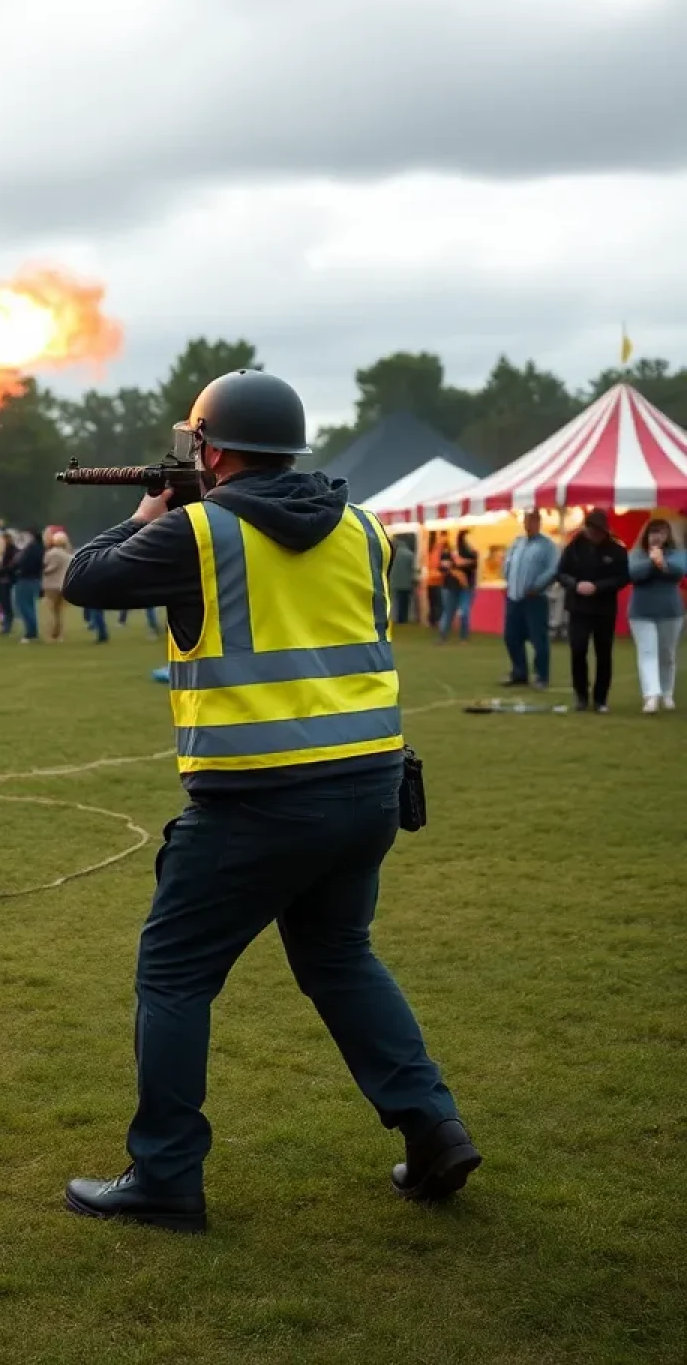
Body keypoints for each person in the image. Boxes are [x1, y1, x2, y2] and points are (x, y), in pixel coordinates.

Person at [58, 367, 476, 1234]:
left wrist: (149, 513)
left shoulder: (201, 533)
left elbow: (85, 579)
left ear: (209, 448)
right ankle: (433, 1126)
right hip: (367, 788)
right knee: (340, 958)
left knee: (173, 975)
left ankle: (166, 1176)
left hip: (257, 801)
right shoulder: (364, 530)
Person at [557, 508, 630, 713]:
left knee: (603, 653)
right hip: (578, 608)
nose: (597, 535)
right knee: (578, 650)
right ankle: (581, 695)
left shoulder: (617, 550)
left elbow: (623, 578)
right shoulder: (573, 547)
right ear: (587, 529)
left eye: (601, 531)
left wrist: (598, 587)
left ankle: (600, 699)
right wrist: (575, 584)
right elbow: (561, 573)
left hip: (604, 609)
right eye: (594, 531)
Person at [628, 518, 686, 713]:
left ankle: (667, 692)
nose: (656, 536)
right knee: (647, 652)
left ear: (668, 535)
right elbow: (633, 573)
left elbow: (679, 572)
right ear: (646, 534)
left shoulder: (678, 554)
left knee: (667, 654)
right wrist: (654, 563)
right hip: (641, 612)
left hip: (670, 612)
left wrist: (664, 564)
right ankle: (651, 696)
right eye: (653, 532)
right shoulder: (637, 554)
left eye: (661, 532)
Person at [500, 511, 559, 690]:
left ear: (539, 522)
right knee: (511, 636)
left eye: (532, 520)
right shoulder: (518, 542)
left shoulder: (547, 545)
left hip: (535, 598)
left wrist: (538, 586)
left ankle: (541, 676)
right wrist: (507, 580)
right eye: (526, 520)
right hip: (514, 597)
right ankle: (519, 672)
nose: (528, 524)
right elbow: (508, 563)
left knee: (538, 639)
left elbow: (553, 569)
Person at [437, 531, 478, 642]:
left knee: (461, 612)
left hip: (464, 587)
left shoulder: (471, 553)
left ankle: (460, 637)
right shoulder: (449, 552)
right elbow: (444, 568)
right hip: (452, 586)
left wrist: (457, 565)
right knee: (450, 612)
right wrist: (459, 572)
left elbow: (467, 563)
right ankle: (445, 636)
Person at [13, 528, 44, 641]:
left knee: (24, 606)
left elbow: (25, 564)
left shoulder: (32, 549)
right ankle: (32, 631)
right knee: (30, 606)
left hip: (26, 579)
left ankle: (31, 632)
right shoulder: (39, 548)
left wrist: (18, 568)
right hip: (34, 579)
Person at [42, 531, 71, 641]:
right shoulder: (68, 555)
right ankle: (59, 635)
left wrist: (42, 571)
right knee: (59, 612)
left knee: (51, 611)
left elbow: (49, 568)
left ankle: (52, 634)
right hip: (63, 585)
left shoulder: (51, 553)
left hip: (51, 585)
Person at [388, 535, 418, 627]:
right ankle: (403, 619)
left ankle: (395, 618)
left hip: (394, 582)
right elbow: (413, 569)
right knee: (404, 603)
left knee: (395, 601)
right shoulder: (409, 554)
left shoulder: (393, 554)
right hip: (406, 583)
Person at [0, 535, 20, 635]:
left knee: (6, 605)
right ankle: (5, 625)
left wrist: (0, 572)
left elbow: (10, 566)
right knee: (5, 605)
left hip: (6, 580)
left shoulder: (10, 552)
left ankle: (6, 626)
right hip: (5, 579)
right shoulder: (8, 551)